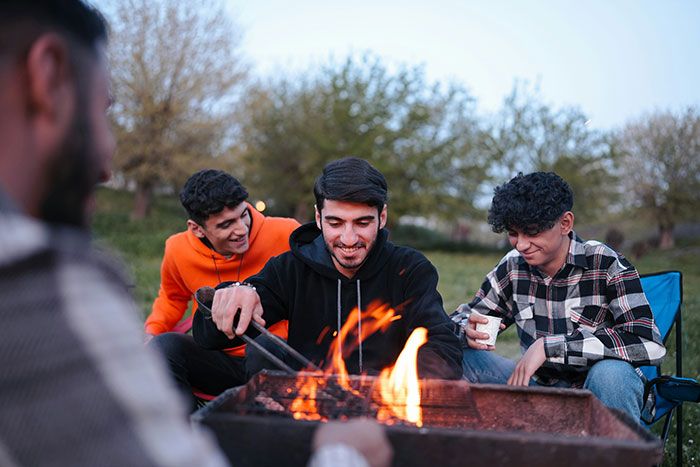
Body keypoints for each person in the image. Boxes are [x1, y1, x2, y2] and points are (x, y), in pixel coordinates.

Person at [0, 1, 229, 465]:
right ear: (49, 77)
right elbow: (168, 298)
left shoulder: (286, 234)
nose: (107, 165)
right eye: (102, 113)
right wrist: (344, 453)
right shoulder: (31, 283)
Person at [193, 157, 462, 379]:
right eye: (335, 223)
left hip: (385, 408)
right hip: (311, 405)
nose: (348, 239)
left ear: (382, 217)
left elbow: (442, 344)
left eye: (362, 223)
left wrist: (397, 385)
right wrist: (231, 295)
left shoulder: (409, 268)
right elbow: (209, 338)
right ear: (318, 218)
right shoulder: (290, 269)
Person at [450, 172, 666, 419]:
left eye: (531, 232)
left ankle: (611, 454)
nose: (520, 245)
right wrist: (466, 328)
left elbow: (649, 344)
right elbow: (460, 319)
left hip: (596, 395)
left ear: (565, 223)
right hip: (535, 393)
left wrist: (551, 347)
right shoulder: (512, 266)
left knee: (611, 374)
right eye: (513, 233)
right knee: (454, 355)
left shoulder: (605, 262)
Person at [146, 169, 298, 411]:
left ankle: (267, 430)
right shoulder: (177, 249)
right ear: (197, 228)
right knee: (163, 348)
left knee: (262, 349)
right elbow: (172, 298)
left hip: (276, 357)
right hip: (218, 359)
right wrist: (152, 331)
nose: (241, 229)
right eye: (226, 224)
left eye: (243, 215)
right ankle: (185, 434)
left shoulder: (286, 232)